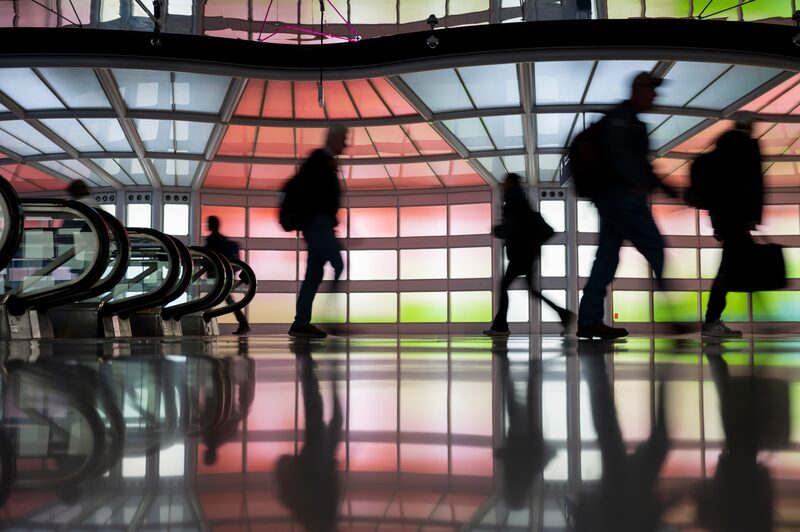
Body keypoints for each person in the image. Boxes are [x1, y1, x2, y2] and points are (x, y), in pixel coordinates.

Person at [577, 72, 679, 340]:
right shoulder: (623, 120)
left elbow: (641, 163)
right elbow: (618, 155)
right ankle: (675, 318)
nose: (654, 96)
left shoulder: (629, 121)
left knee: (606, 259)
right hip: (623, 198)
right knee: (654, 247)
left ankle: (589, 321)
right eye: (650, 90)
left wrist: (667, 188)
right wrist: (634, 183)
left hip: (613, 198)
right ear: (637, 90)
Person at [569, 345, 669, 531]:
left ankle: (594, 368)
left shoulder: (640, 480)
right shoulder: (633, 485)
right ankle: (593, 367)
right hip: (621, 494)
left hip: (629, 494)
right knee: (608, 433)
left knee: (613, 434)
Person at [694, 118, 764, 338]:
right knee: (729, 268)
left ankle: (713, 318)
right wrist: (754, 215)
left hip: (724, 218)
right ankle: (712, 319)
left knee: (732, 265)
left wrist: (716, 221)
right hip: (739, 218)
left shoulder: (721, 149)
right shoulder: (748, 147)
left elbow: (716, 189)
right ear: (749, 128)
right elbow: (754, 183)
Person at [484, 172, 574, 336]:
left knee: (504, 286)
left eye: (505, 182)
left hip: (521, 254)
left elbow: (514, 226)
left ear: (510, 183)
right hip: (528, 254)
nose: (502, 185)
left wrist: (498, 230)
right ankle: (563, 314)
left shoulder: (513, 200)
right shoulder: (521, 200)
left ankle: (501, 326)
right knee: (531, 290)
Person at [276, 339, 342, 530]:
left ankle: (310, 369)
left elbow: (330, 490)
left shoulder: (315, 513)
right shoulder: (308, 513)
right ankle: (309, 369)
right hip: (318, 459)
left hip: (319, 459)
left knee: (321, 412)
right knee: (317, 410)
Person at [289, 125, 348, 339]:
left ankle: (301, 322)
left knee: (313, 275)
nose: (345, 143)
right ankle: (330, 319)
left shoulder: (325, 162)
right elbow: (315, 193)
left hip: (320, 225)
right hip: (318, 225)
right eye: (343, 138)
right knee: (338, 264)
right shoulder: (320, 159)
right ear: (332, 139)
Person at [205, 215, 250, 334]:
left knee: (214, 299)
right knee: (223, 299)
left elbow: (208, 257)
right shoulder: (222, 240)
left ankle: (204, 318)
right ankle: (243, 323)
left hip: (218, 276)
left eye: (208, 223)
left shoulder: (213, 240)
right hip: (226, 275)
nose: (207, 225)